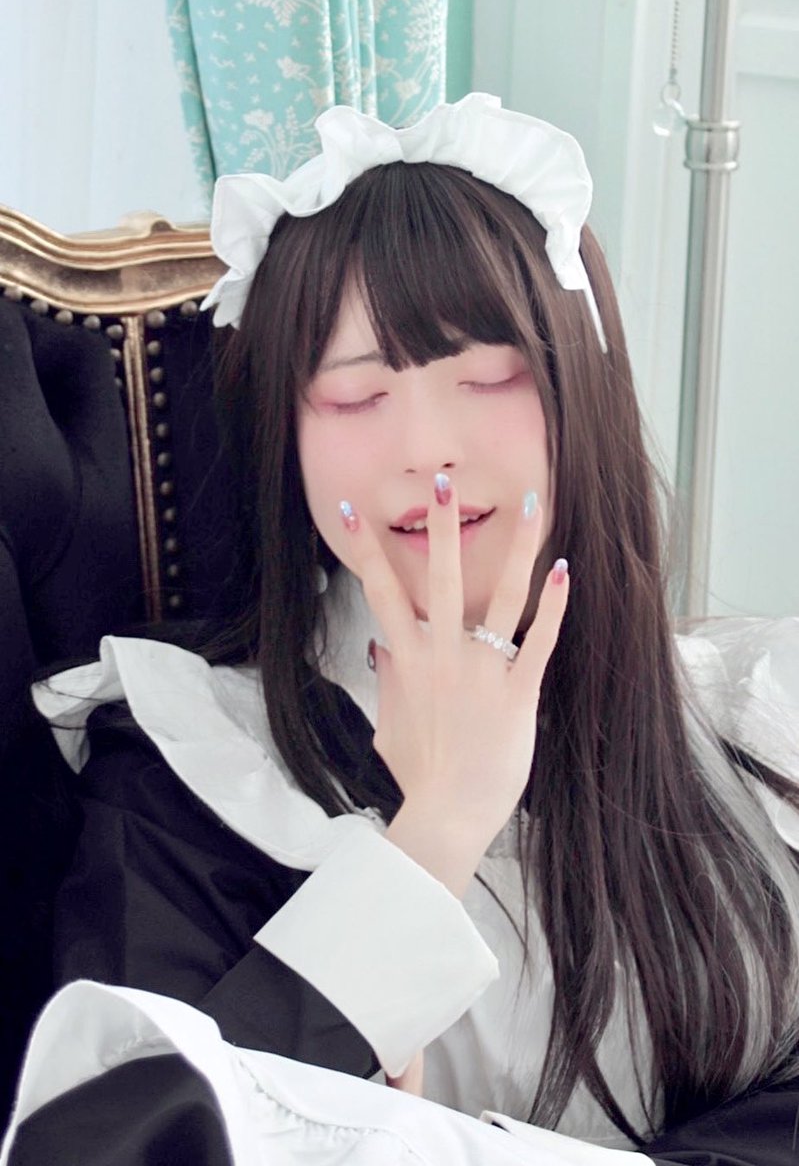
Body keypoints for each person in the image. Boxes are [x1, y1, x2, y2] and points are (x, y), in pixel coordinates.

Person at [3, 93, 799, 1166]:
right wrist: (434, 837)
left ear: (585, 395)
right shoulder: (190, 761)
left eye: (485, 377)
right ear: (287, 439)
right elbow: (113, 1148)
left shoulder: (754, 720)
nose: (427, 449)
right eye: (354, 396)